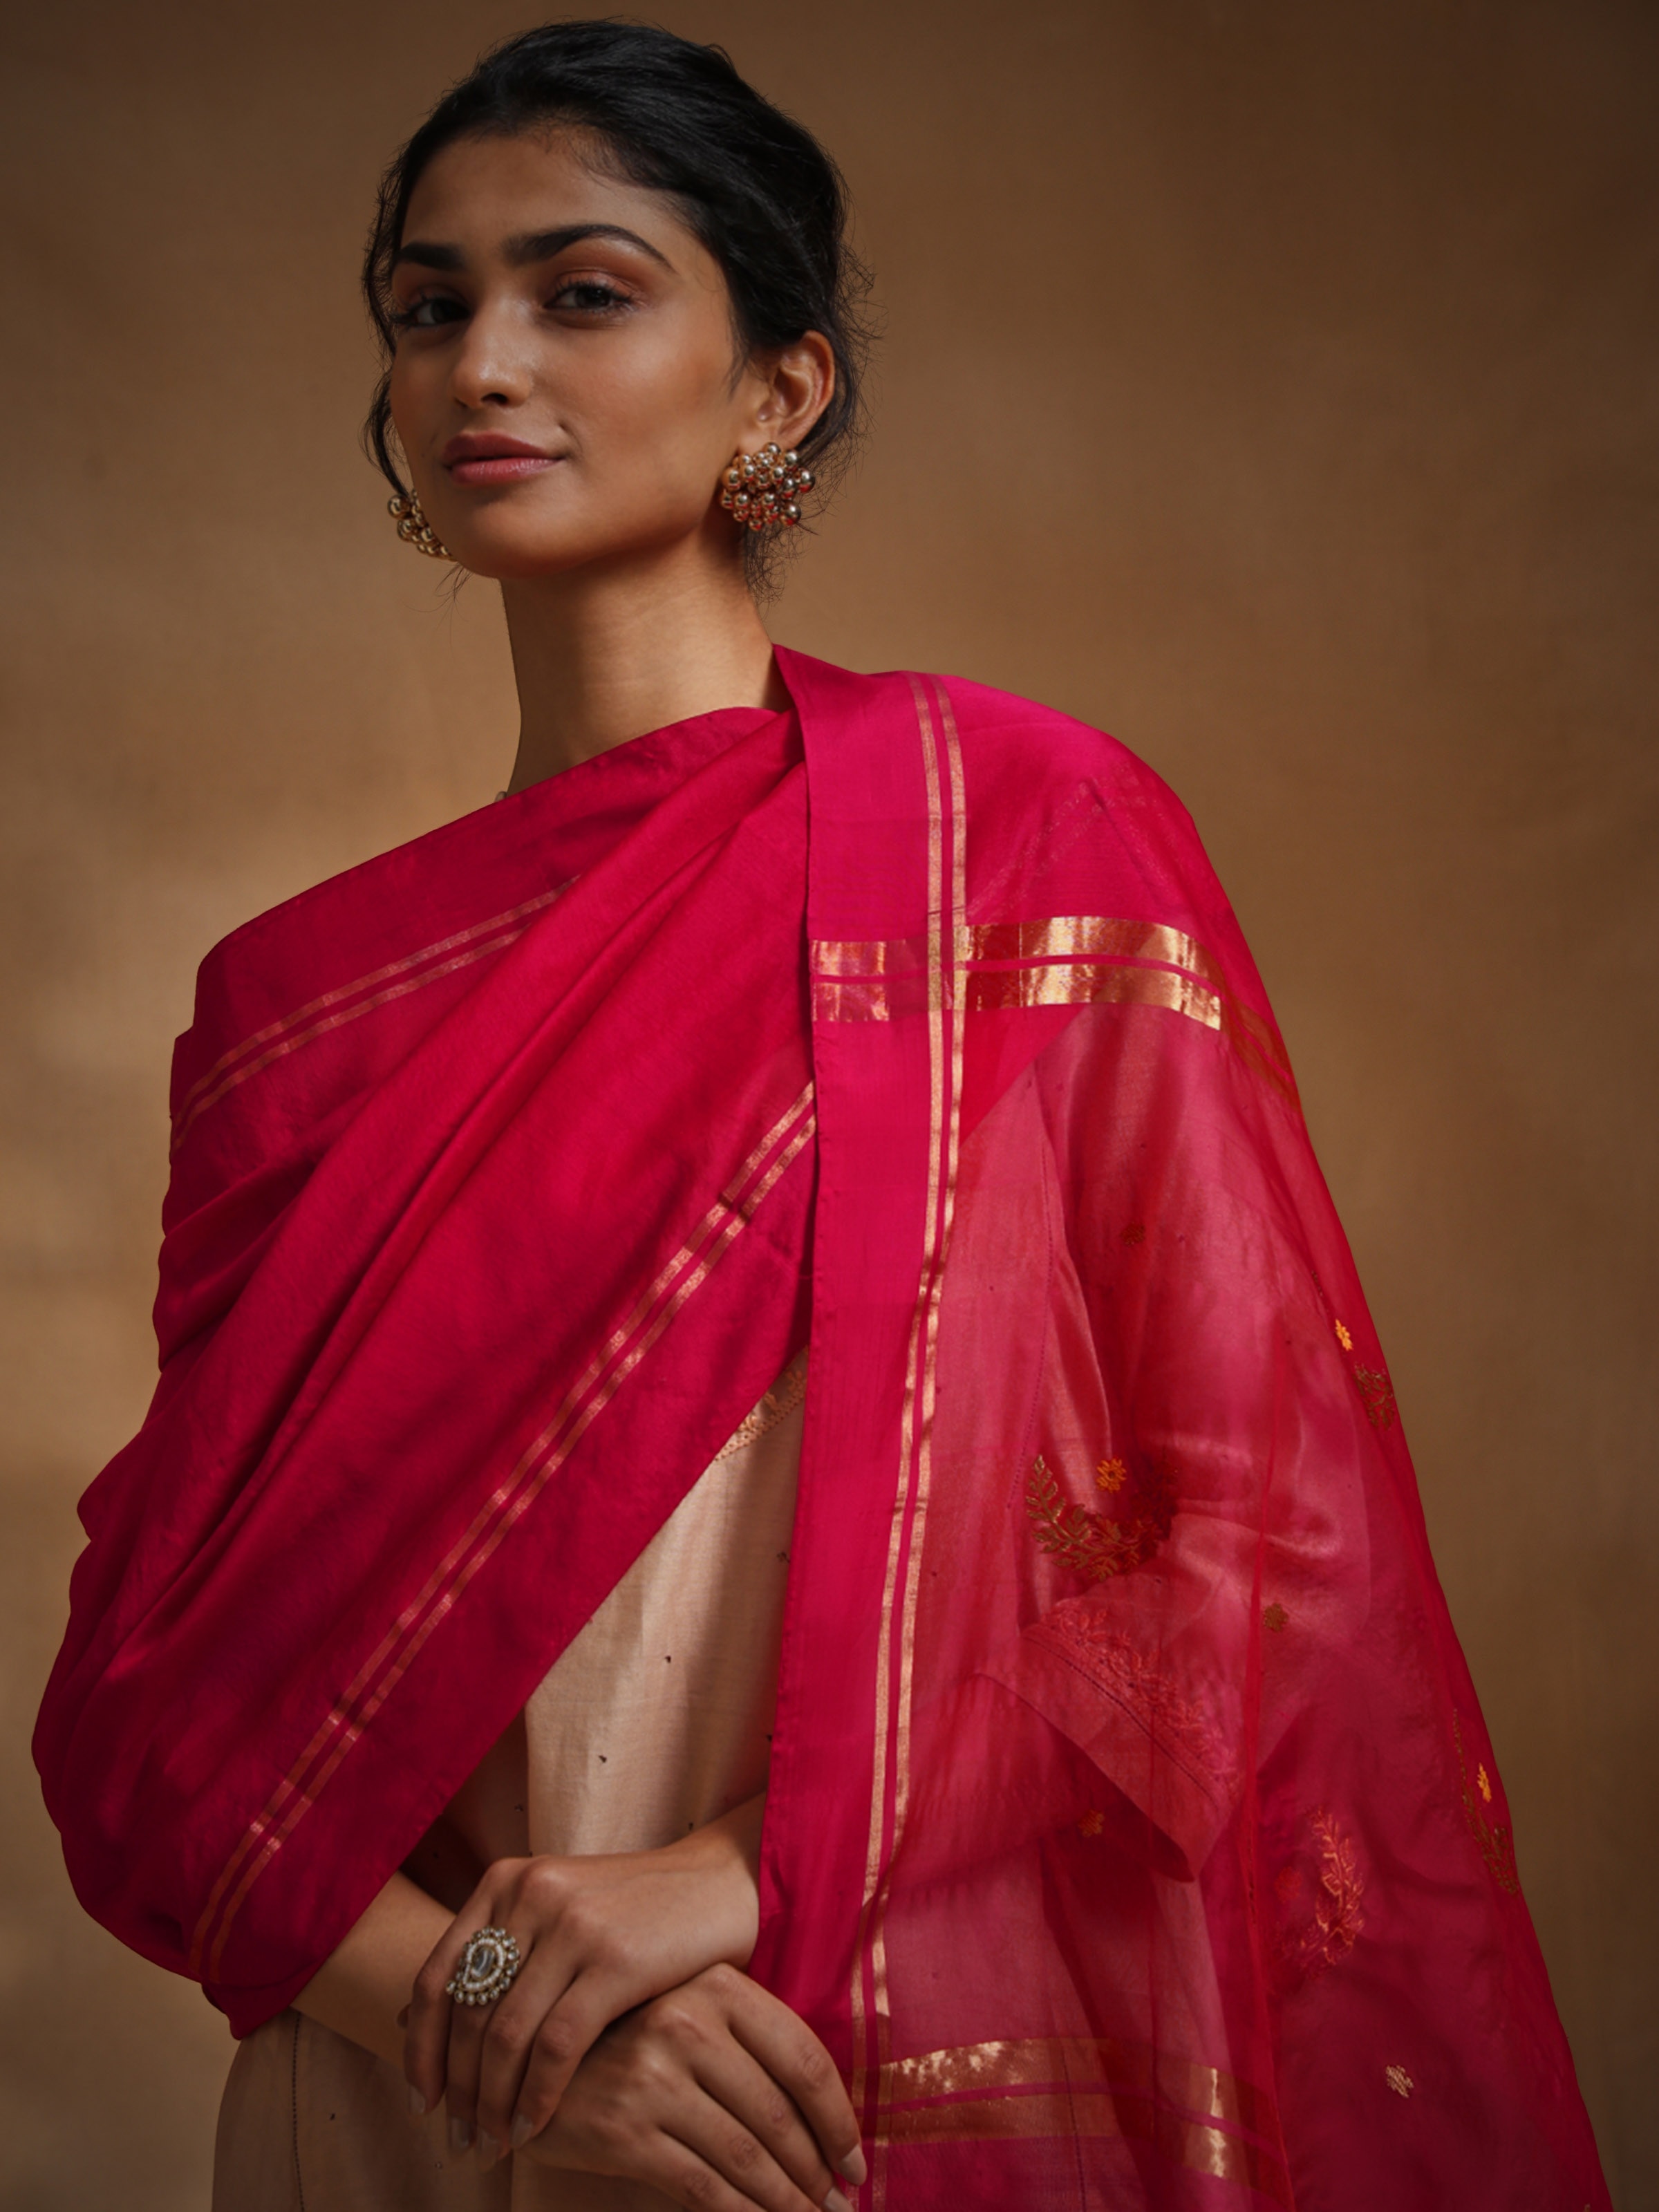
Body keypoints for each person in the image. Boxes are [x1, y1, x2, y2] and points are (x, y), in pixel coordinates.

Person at [34, 21, 1610, 2212]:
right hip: (401, 2098)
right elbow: (156, 1737)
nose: (485, 361)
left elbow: (1259, 1572)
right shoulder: (295, 1015)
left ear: (780, 389)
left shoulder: (1020, 846)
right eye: (428, 304)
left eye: (584, 292)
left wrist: (745, 1871)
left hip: (838, 2062)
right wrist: (489, 2013)